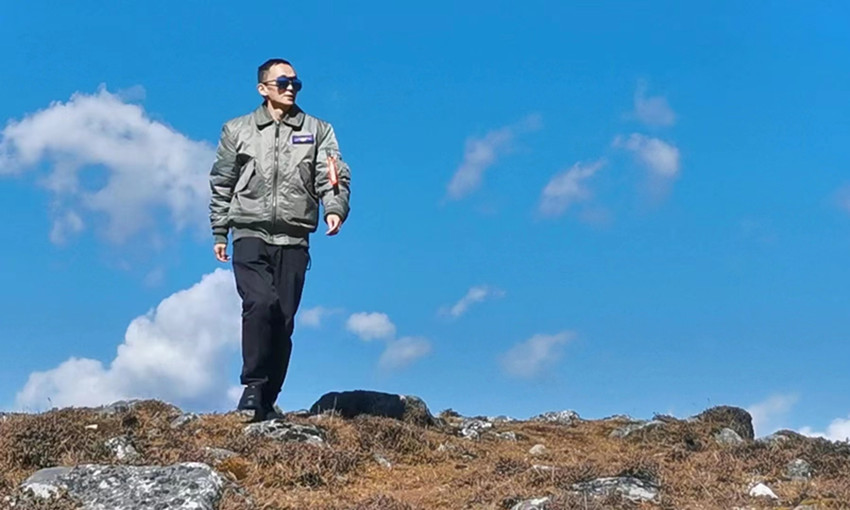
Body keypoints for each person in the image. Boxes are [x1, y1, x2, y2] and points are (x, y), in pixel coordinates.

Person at [208, 58, 351, 421]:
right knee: (260, 303)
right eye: (283, 82)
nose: (291, 88)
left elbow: (332, 175)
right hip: (249, 232)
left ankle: (268, 399)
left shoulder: (318, 130)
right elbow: (222, 182)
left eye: (295, 83)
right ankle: (253, 387)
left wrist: (334, 208)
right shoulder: (237, 130)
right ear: (263, 89)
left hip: (294, 237)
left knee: (283, 320)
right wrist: (220, 230)